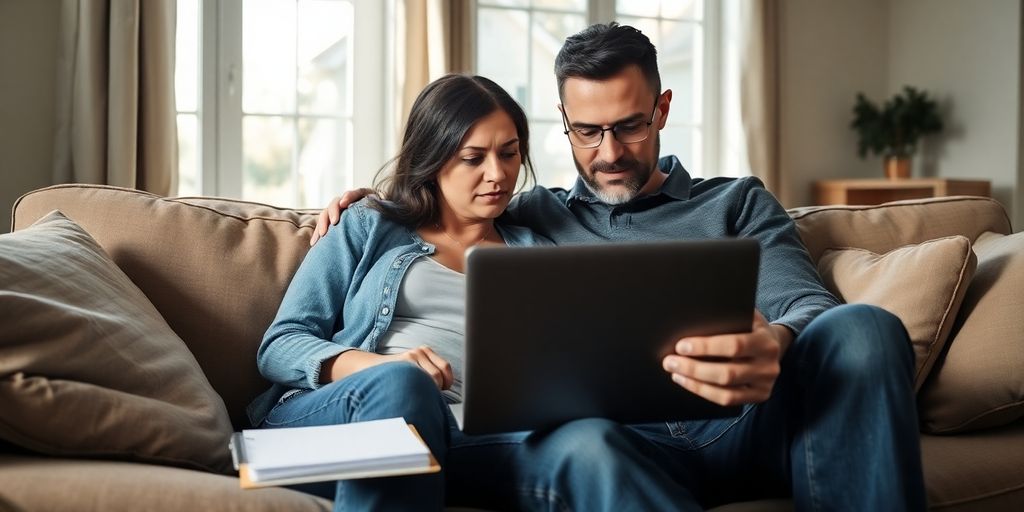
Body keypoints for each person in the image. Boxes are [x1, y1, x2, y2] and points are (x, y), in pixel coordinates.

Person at [315, 23, 927, 511]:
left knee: (866, 329)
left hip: (742, 427)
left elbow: (809, 304)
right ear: (563, 123)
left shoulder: (736, 201)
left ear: (661, 109)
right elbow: (450, 191)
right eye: (587, 131)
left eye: (630, 126)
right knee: (590, 444)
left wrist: (775, 339)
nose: (608, 153)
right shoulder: (533, 218)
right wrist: (373, 204)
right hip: (612, 444)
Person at [247, 73, 550, 511]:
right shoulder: (368, 225)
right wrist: (382, 369)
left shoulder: (537, 251)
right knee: (403, 385)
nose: (498, 174)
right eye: (473, 158)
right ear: (433, 158)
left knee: (587, 443)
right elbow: (279, 347)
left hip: (467, 432)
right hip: (341, 413)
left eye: (509, 153)